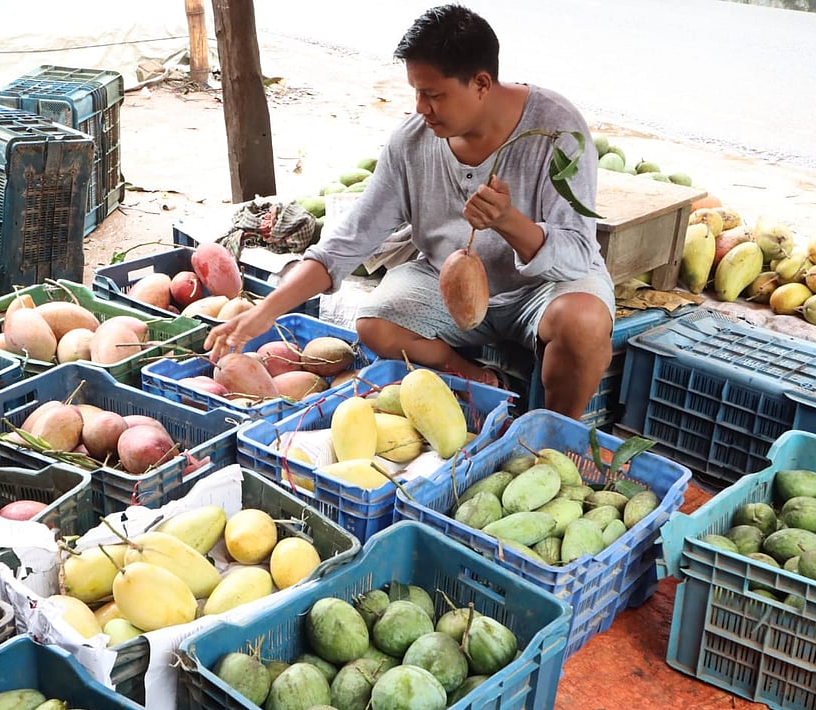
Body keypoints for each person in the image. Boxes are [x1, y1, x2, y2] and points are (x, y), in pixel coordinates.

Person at [204, 4, 615, 420]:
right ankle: (481, 379)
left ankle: (555, 432)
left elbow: (577, 253)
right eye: (416, 92)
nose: (421, 107)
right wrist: (265, 312)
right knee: (375, 324)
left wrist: (509, 222)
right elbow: (348, 242)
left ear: (481, 83)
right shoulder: (412, 142)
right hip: (443, 281)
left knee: (584, 322)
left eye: (433, 95)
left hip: (542, 289)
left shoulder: (556, 130)